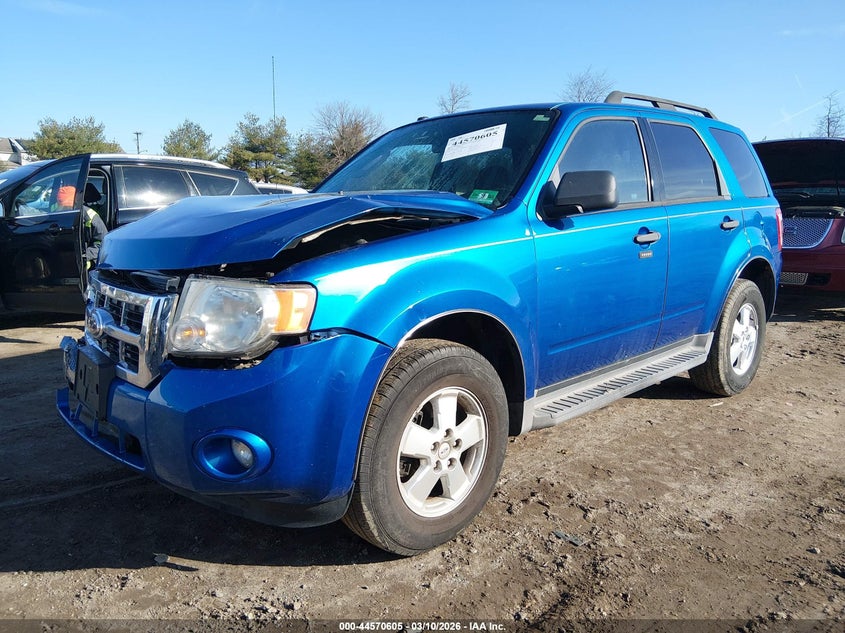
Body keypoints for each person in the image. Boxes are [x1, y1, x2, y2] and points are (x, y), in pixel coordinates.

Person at [57, 184, 108, 269]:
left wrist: (85, 257)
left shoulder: (91, 217)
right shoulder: (57, 215)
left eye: (68, 206)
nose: (65, 209)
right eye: (62, 206)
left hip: (86, 258)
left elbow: (103, 244)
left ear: (75, 203)